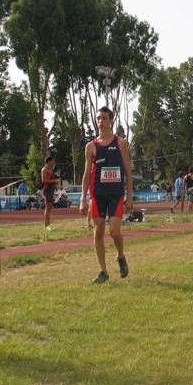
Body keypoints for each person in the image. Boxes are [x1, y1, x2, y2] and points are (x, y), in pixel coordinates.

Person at [79, 106, 134, 284]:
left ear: (111, 121)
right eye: (98, 118)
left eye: (104, 118)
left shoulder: (120, 143)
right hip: (98, 194)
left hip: (116, 194)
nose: (101, 121)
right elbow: (86, 174)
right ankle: (103, 271)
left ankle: (120, 256)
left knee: (114, 231)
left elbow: (128, 171)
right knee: (98, 232)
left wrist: (130, 195)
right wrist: (83, 199)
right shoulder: (90, 147)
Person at [41, 156, 58, 230]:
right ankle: (47, 225)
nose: (54, 162)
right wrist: (54, 181)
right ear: (49, 161)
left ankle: (47, 224)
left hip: (51, 190)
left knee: (49, 207)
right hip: (47, 190)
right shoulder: (44, 169)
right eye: (53, 161)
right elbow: (44, 180)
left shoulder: (50, 169)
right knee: (48, 207)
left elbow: (50, 180)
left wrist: (55, 183)